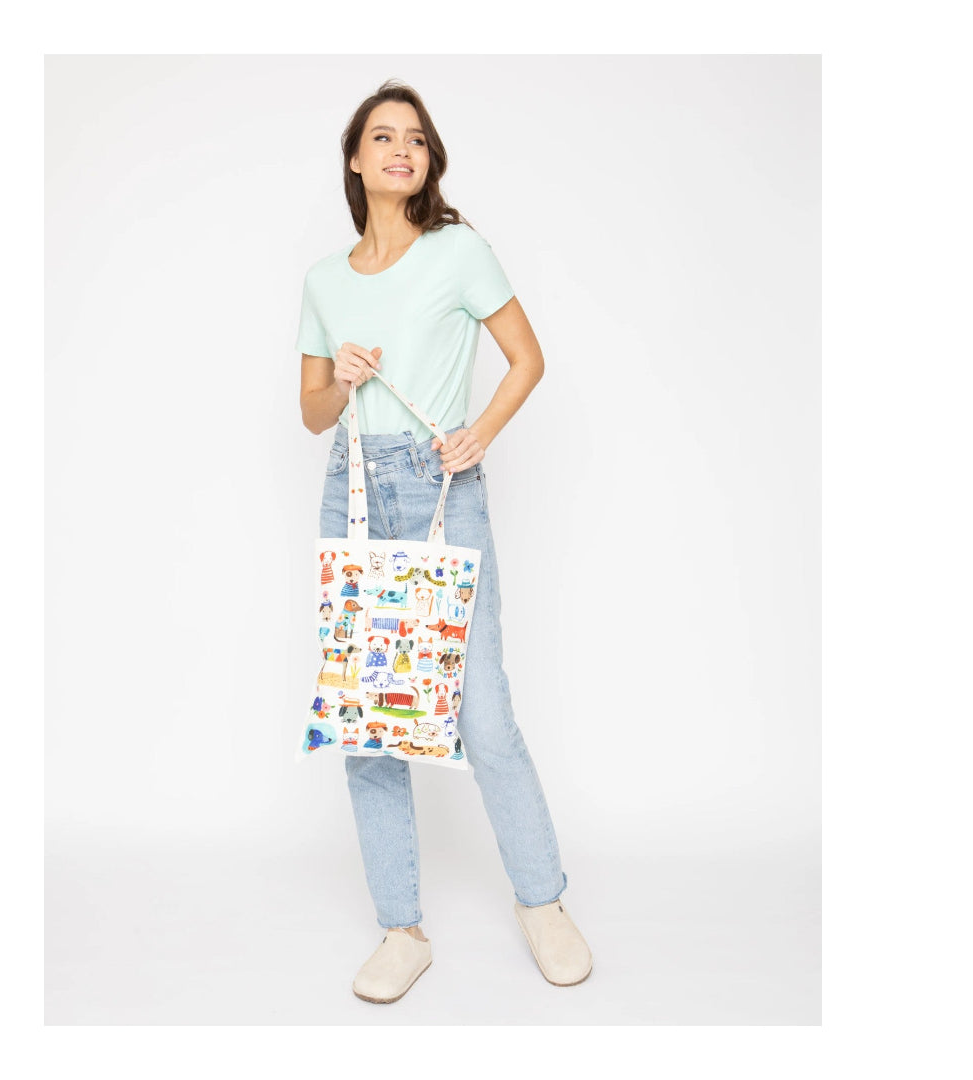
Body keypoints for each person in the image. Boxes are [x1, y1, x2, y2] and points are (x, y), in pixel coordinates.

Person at [296, 79, 593, 1003]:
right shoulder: (324, 280)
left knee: (480, 714)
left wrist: (480, 434)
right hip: (351, 488)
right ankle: (401, 929)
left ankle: (541, 902)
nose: (400, 151)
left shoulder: (458, 251)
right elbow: (309, 416)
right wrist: (339, 381)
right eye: (381, 138)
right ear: (355, 159)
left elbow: (527, 357)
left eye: (415, 140)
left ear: (428, 161)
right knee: (368, 723)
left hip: (439, 487)